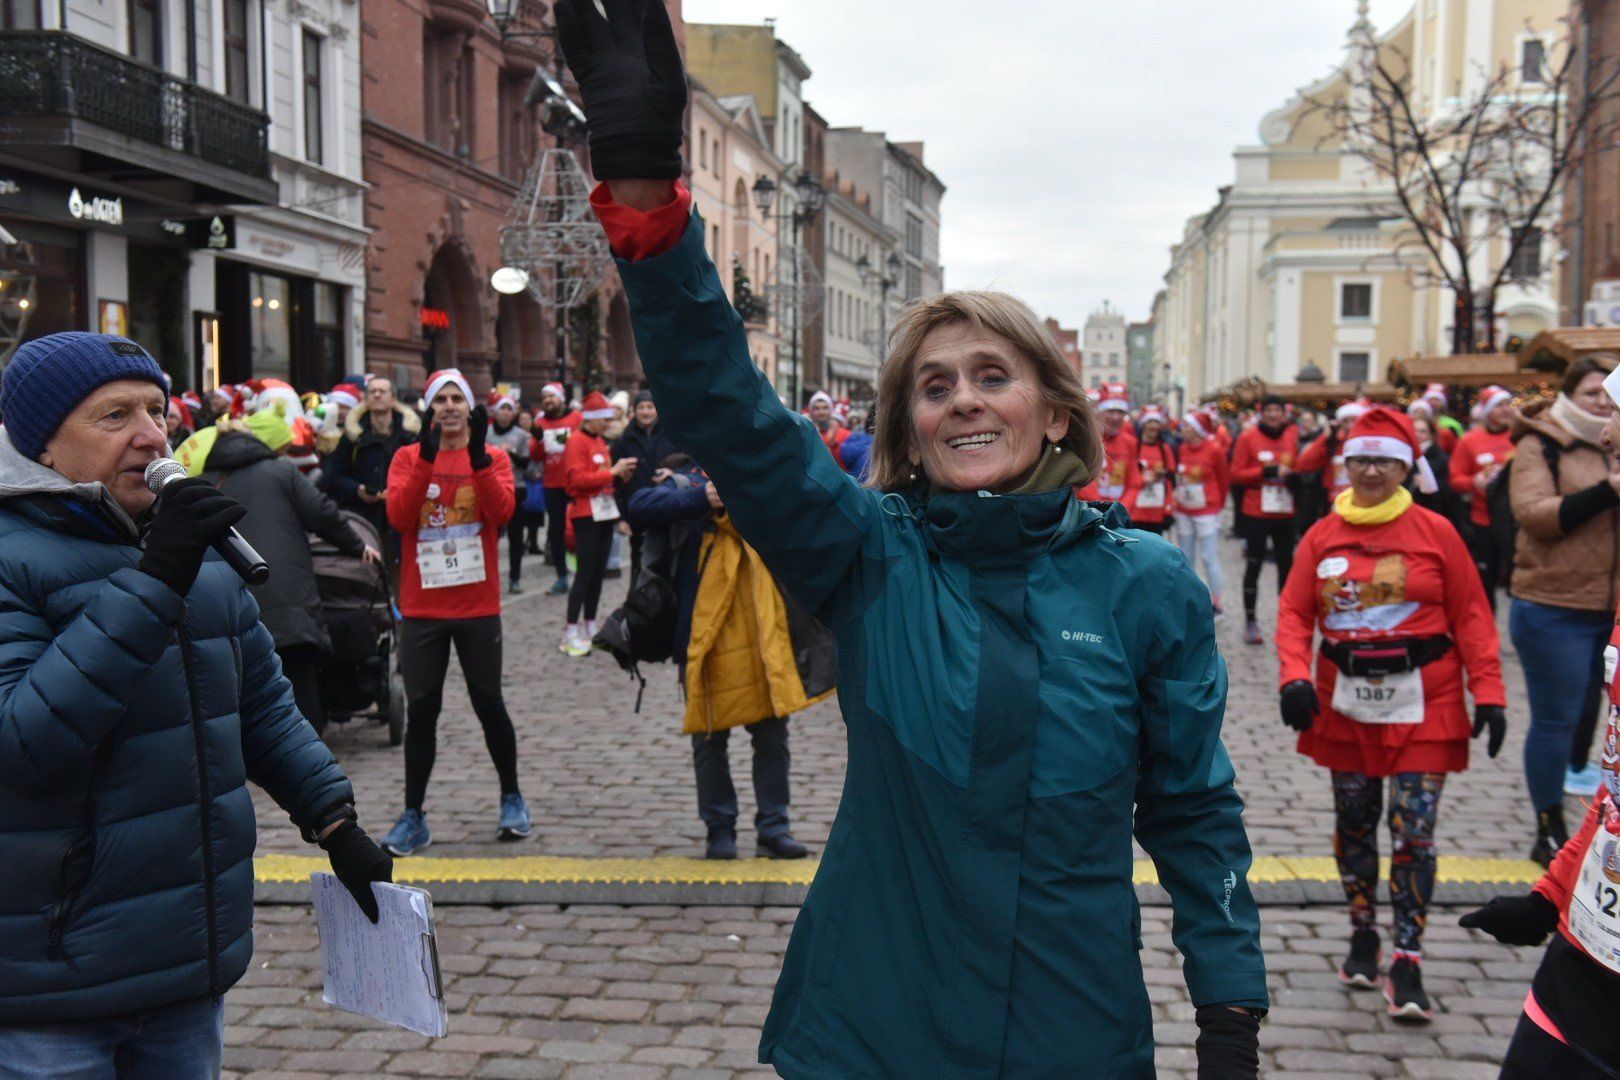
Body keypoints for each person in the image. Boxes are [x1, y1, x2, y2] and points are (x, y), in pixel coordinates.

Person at [557, 6, 1268, 1073]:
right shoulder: (868, 551)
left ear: (1057, 412)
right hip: (875, 1022)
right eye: (935, 388)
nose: (965, 404)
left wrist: (1229, 1009)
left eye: (994, 377)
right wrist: (646, 191)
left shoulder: (1148, 586)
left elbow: (1194, 809)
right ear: (908, 428)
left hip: (1068, 1024)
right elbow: (731, 413)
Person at [0, 332, 392, 1072]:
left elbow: (263, 708)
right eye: (114, 416)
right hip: (49, 981)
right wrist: (154, 582)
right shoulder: (12, 556)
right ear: (42, 445)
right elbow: (25, 745)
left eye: (157, 410)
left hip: (185, 963)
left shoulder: (198, 552)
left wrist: (335, 821)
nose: (151, 435)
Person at [1275, 406, 1505, 1022]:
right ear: (1345, 465)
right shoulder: (1323, 534)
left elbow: (1474, 615)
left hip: (1424, 701)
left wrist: (1490, 692)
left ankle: (1408, 956)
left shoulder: (1436, 532)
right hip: (1346, 702)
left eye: (1383, 460)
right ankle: (1361, 931)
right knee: (1354, 823)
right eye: (1360, 459)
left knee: (1413, 830)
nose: (1371, 470)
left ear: (1406, 467)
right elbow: (1296, 611)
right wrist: (1295, 675)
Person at [627, 454, 831, 860]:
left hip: (763, 631)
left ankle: (774, 826)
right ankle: (719, 828)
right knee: (708, 739)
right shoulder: (689, 482)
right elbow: (639, 506)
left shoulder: (763, 477)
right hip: (702, 635)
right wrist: (703, 497)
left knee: (772, 738)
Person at [381, 369, 526, 855]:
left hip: (477, 606)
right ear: (428, 409)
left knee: (490, 705)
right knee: (423, 712)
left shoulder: (494, 456)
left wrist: (482, 460)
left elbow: (502, 513)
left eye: (455, 399)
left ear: (469, 408)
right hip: (424, 607)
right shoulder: (407, 456)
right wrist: (425, 457)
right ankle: (413, 815)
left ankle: (512, 796)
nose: (448, 407)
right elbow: (399, 517)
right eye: (439, 399)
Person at [1507, 356, 1620, 866]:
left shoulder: (1615, 439)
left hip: (1613, 605)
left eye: (1608, 394)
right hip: (1555, 604)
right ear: (1570, 395)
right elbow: (1533, 515)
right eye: (1592, 392)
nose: (1602, 401)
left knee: (1600, 719)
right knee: (1558, 719)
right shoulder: (1541, 442)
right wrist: (1607, 491)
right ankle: (1548, 822)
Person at [203, 413, 381, 736]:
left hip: (231, 609)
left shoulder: (202, 483)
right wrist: (358, 547)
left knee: (239, 688)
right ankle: (310, 760)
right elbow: (323, 514)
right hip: (291, 606)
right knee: (301, 686)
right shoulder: (281, 471)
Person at [559, 390, 638, 656]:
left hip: (604, 513)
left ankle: (590, 626)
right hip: (586, 515)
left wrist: (619, 475)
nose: (607, 422)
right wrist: (611, 473)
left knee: (597, 576)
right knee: (584, 575)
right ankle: (571, 631)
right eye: (603, 418)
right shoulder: (576, 442)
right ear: (591, 419)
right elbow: (575, 481)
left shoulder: (600, 442)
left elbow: (602, 477)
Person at [324, 376, 419, 572]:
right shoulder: (353, 436)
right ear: (365, 399)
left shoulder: (410, 436)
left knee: (403, 576)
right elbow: (334, 477)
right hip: (366, 520)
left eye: (382, 391)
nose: (376, 395)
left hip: (403, 521)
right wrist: (358, 490)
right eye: (372, 391)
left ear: (393, 399)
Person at [1230, 394, 1301, 645]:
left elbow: (1301, 467)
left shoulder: (1293, 435)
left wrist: (1294, 476)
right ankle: (1251, 620)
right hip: (1256, 511)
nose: (1273, 415)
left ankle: (1287, 620)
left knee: (1287, 567)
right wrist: (1266, 471)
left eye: (1277, 410)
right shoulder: (1248, 437)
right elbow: (1236, 475)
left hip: (1285, 511)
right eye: (1268, 409)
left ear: (1285, 413)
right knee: (1255, 565)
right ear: (1262, 412)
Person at [1449, 384, 1517, 609]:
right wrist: (1473, 482)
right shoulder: (1470, 441)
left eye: (1508, 404)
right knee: (1486, 580)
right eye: (1499, 405)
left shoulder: (1521, 437)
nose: (1506, 409)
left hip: (1518, 521)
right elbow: (1455, 479)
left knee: (1517, 579)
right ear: (1487, 411)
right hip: (1484, 521)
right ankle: (1490, 632)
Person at [1173, 411, 1230, 618]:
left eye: (1187, 426)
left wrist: (1219, 507)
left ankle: (1216, 603)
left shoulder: (1214, 450)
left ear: (1197, 430)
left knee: (1209, 558)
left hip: (1207, 510)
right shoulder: (1181, 448)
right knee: (1186, 557)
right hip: (1184, 509)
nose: (1183, 429)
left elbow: (1224, 479)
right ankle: (1188, 599)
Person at [612, 389, 673, 582]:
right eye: (641, 407)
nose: (646, 412)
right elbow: (616, 484)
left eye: (650, 407)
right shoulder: (624, 440)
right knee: (638, 564)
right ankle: (638, 607)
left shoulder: (670, 436)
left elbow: (686, 464)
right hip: (636, 512)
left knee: (666, 564)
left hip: (667, 508)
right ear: (634, 410)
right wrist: (621, 517)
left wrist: (673, 473)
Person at [532, 383, 582, 594]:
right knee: (556, 531)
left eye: (551, 397)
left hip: (575, 483)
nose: (548, 401)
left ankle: (582, 572)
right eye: (545, 398)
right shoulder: (540, 422)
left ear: (561, 398)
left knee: (579, 529)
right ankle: (562, 576)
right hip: (552, 484)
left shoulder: (576, 419)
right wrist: (536, 440)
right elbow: (536, 457)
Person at [486, 394, 532, 594]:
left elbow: (525, 464)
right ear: (495, 411)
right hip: (490, 490)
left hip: (515, 489)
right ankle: (489, 578)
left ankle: (515, 578)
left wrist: (510, 452)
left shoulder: (521, 435)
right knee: (490, 537)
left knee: (515, 538)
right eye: (501, 408)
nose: (505, 413)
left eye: (509, 409)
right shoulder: (485, 434)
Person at [1075, 382, 1138, 505]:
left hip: (1118, 513)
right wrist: (1100, 509)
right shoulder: (1085, 439)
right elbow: (1081, 480)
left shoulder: (1130, 443)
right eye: (1110, 411)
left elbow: (1134, 483)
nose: (1116, 417)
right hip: (1089, 511)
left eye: (1120, 412)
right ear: (1099, 412)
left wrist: (1121, 508)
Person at [1123, 406, 1174, 535]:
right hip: (1135, 511)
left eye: (1156, 422)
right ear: (1143, 425)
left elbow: (1170, 481)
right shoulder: (1134, 446)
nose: (1153, 426)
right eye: (1150, 422)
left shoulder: (1165, 449)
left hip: (1156, 511)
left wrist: (1168, 508)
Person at [1409, 414, 1458, 525]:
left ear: (1431, 434)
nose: (1417, 435)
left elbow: (1450, 488)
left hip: (1432, 511)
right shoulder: (1405, 454)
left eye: (1422, 431)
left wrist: (1429, 483)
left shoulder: (1441, 457)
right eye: (1415, 431)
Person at [806, 390, 850, 466]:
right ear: (811, 411)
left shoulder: (845, 435)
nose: (821, 412)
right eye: (817, 408)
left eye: (825, 408)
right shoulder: (806, 434)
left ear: (831, 410)